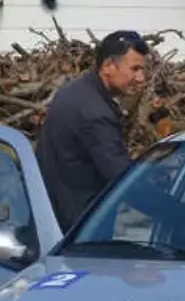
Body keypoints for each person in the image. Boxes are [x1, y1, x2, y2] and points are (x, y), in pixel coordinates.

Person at [35, 30, 148, 229]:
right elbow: (121, 178)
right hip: (79, 229)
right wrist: (172, 210)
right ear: (108, 66)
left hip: (50, 217)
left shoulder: (75, 91)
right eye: (135, 69)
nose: (141, 78)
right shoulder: (95, 114)